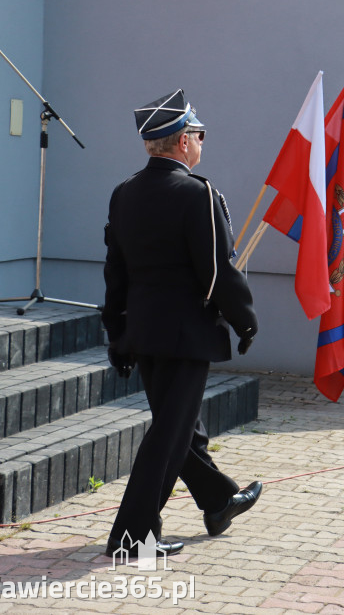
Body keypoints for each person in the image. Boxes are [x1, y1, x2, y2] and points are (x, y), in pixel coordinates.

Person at [103, 89, 262, 557]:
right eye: (198, 133)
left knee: (181, 429)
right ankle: (132, 537)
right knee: (168, 436)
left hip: (143, 332)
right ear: (181, 142)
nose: (201, 141)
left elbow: (116, 270)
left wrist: (117, 332)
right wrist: (245, 321)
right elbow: (215, 271)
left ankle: (218, 501)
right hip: (186, 333)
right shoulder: (197, 192)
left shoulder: (124, 192)